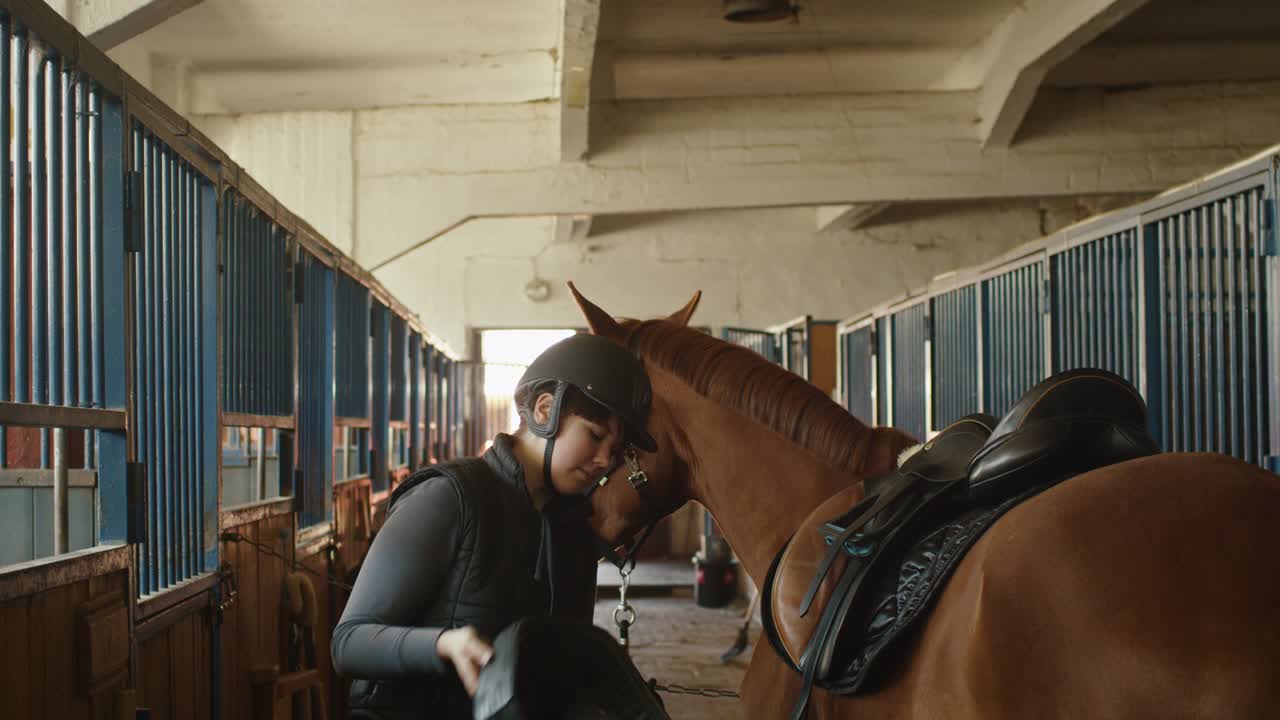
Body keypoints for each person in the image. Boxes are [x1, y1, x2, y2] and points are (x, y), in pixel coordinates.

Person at [332, 333, 657, 720]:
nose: (605, 460)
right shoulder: (451, 497)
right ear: (544, 410)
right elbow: (348, 643)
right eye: (595, 435)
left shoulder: (572, 534)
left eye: (617, 450)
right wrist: (442, 644)